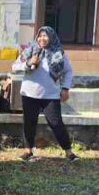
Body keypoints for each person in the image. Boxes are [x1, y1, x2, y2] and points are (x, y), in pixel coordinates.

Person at [12, 26, 78, 162]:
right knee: (29, 123)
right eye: (40, 36)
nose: (42, 38)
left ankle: (69, 152)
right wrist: (28, 63)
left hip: (50, 95)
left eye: (45, 36)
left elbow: (68, 71)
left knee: (56, 123)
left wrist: (65, 88)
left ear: (51, 37)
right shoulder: (30, 50)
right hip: (29, 93)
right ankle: (28, 151)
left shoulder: (58, 53)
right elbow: (14, 67)